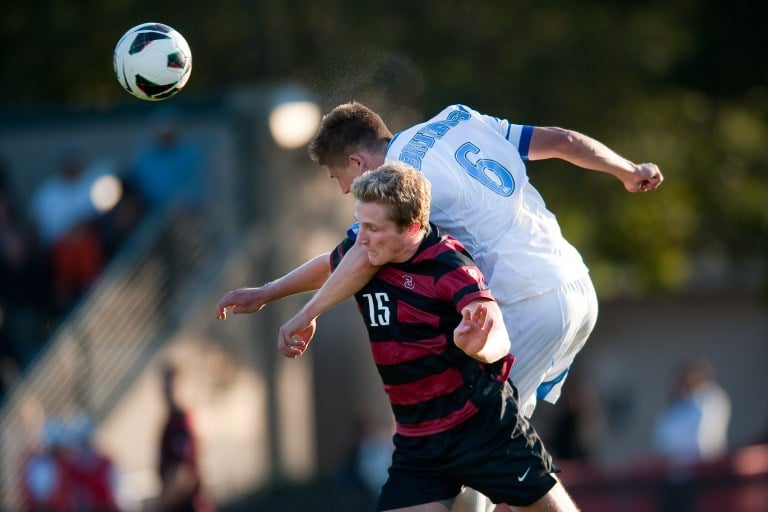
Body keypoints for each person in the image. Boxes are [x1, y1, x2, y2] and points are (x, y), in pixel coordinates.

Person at [216, 102, 662, 511]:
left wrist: (283, 302)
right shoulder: (458, 118)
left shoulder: (398, 183)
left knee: (480, 442)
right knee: (492, 449)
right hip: (576, 286)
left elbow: (354, 256)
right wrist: (626, 169)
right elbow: (561, 140)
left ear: (357, 162)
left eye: (340, 180)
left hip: (524, 302)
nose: (346, 192)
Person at [284, 162, 578, 511]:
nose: (359, 237)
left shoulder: (450, 266)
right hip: (418, 442)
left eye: (372, 228)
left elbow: (494, 330)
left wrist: (482, 347)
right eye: (360, 224)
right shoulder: (366, 256)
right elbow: (330, 266)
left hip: (481, 429)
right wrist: (264, 296)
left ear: (410, 228)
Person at [156, 364, 214, 512]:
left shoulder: (182, 424)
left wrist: (159, 506)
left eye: (173, 387)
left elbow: (182, 476)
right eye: (166, 387)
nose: (169, 393)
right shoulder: (170, 423)